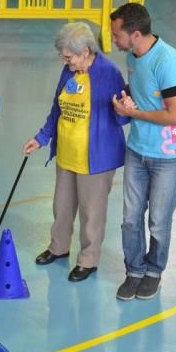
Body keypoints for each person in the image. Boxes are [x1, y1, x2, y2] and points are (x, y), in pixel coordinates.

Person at [22, 22, 128, 282]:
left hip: (96, 159)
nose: (64, 60)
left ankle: (88, 260)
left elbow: (124, 116)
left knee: (92, 213)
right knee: (62, 206)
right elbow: (57, 108)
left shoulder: (108, 73)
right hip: (68, 154)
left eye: (68, 56)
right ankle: (58, 247)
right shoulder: (68, 71)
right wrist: (42, 137)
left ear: (86, 52)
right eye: (63, 56)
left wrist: (122, 108)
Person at [110, 3, 176, 301]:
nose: (113, 41)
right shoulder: (134, 56)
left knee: (158, 220)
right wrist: (128, 99)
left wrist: (134, 114)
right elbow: (142, 91)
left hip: (169, 157)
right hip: (137, 150)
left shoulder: (168, 62)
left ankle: (154, 271)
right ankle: (134, 270)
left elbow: (175, 116)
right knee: (130, 218)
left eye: (117, 35)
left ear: (135, 34)